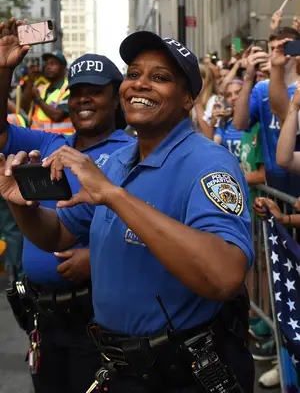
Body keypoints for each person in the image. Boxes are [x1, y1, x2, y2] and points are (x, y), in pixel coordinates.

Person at [0, 26, 255, 392]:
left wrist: (113, 195)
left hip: (181, 373)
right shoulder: (117, 163)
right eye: (133, 74)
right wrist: (21, 206)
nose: (140, 84)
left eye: (160, 78)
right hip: (121, 369)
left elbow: (225, 275)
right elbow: (55, 232)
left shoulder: (209, 164)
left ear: (187, 100)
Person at [0, 19, 134, 393]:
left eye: (95, 91)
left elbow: (151, 230)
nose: (83, 99)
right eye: (76, 93)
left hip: (98, 322)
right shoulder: (50, 146)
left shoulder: (134, 154)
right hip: (43, 319)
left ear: (116, 98)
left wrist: (98, 258)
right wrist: (3, 70)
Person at [234, 27, 300, 197]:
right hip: (273, 180)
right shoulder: (262, 88)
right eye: (271, 49)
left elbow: (285, 116)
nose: (274, 54)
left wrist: (276, 69)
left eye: (282, 48)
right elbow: (239, 123)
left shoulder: (298, 89)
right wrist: (248, 78)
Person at [21, 50, 74, 134]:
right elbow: (24, 108)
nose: (48, 67)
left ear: (63, 67)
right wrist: (30, 81)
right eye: (47, 64)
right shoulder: (41, 89)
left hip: (61, 141)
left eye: (53, 63)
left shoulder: (69, 88)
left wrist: (38, 99)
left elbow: (57, 115)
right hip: (38, 140)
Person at [213, 79, 244, 160]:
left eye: (238, 93)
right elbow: (213, 147)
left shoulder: (256, 121)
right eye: (229, 95)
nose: (233, 98)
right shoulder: (225, 122)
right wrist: (213, 121)